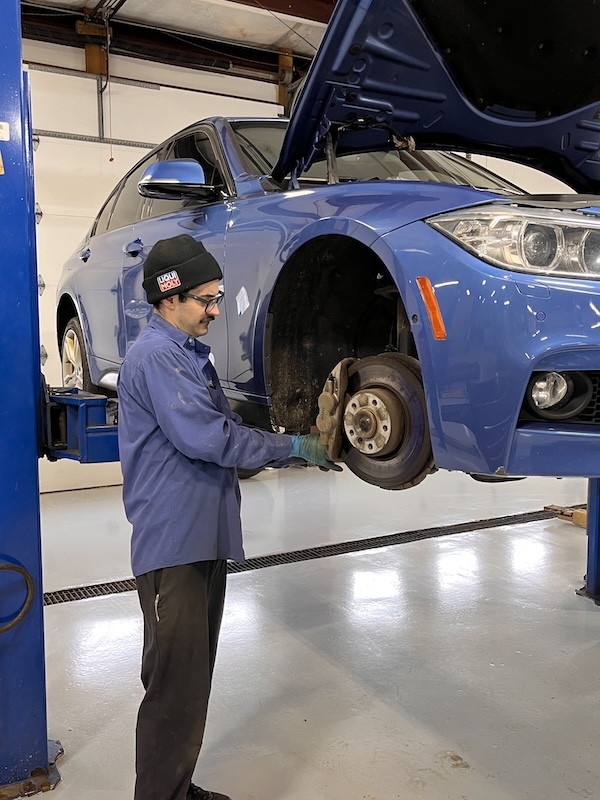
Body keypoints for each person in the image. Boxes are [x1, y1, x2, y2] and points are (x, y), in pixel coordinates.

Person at [117, 233, 341, 800]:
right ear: (168, 298)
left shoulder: (187, 354)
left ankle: (177, 787)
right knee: (174, 684)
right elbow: (210, 439)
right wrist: (293, 447)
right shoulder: (159, 356)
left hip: (201, 535)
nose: (216, 312)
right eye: (205, 301)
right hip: (174, 544)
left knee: (191, 680)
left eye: (219, 298)